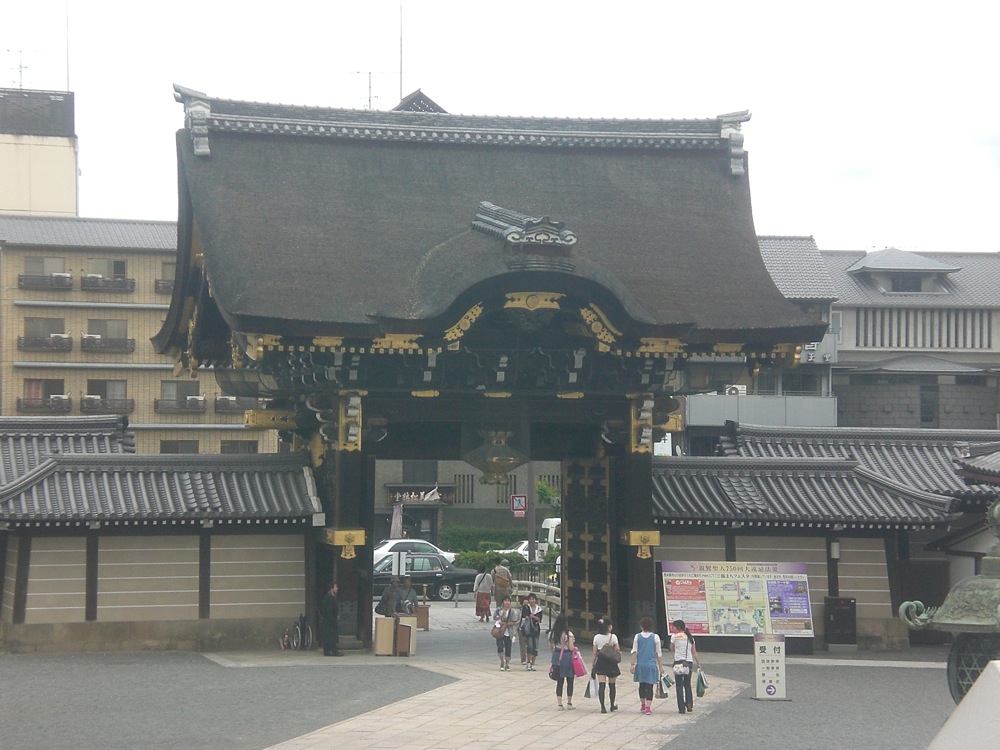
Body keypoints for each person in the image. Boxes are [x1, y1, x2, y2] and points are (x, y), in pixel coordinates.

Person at [630, 615, 665, 715]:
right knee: (650, 686)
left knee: (641, 685)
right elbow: (658, 653)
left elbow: (634, 651)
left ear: (641, 626)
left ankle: (643, 704)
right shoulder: (655, 637)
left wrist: (632, 664)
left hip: (640, 664)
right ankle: (648, 707)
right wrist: (661, 666)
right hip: (651, 665)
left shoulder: (637, 637)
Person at [670, 619, 701, 714]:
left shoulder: (674, 637)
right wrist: (698, 663)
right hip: (688, 662)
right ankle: (689, 704)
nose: (673, 629)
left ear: (678, 627)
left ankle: (681, 708)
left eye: (674, 627)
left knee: (679, 685)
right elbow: (694, 651)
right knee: (687, 684)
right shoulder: (690, 637)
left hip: (678, 662)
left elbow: (672, 648)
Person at [591, 617, 621, 713]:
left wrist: (593, 664)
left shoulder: (596, 637)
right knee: (612, 685)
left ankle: (602, 707)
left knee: (602, 685)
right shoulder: (613, 637)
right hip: (611, 662)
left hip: (601, 661)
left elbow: (594, 653)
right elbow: (617, 649)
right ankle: (612, 705)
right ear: (608, 627)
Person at [549, 614, 577, 709]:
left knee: (559, 681)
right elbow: (571, 647)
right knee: (570, 680)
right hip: (567, 656)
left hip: (557, 656)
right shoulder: (568, 634)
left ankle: (559, 703)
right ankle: (569, 702)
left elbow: (551, 647)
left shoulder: (552, 633)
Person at [493, 595, 520, 671]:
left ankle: (507, 664)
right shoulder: (499, 610)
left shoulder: (512, 611)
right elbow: (494, 617)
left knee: (508, 648)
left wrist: (506, 624)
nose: (507, 602)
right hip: (500, 630)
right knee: (500, 647)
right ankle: (502, 661)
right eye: (505, 601)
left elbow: (514, 622)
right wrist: (500, 617)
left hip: (508, 631)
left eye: (508, 601)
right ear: (503, 602)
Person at [319, 581, 343, 656]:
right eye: (336, 587)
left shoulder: (330, 597)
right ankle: (334, 651)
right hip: (329, 621)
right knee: (331, 637)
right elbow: (329, 611)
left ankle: (327, 651)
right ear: (331, 588)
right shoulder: (329, 598)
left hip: (328, 621)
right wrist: (334, 618)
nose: (337, 588)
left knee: (328, 637)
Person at [520, 593, 543, 671]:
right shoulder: (526, 607)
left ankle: (533, 662)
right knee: (530, 646)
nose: (532, 600)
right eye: (530, 599)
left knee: (536, 647)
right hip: (529, 629)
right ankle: (528, 662)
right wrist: (532, 617)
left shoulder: (539, 609)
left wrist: (533, 616)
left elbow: (539, 619)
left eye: (533, 599)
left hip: (536, 629)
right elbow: (525, 616)